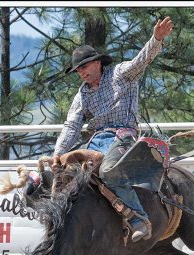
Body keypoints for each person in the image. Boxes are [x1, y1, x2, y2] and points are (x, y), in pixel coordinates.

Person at [52, 17, 173, 242]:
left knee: (108, 171)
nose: (81, 73)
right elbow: (72, 125)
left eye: (84, 67)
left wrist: (156, 39)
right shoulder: (83, 94)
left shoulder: (121, 74)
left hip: (123, 137)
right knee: (65, 175)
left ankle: (139, 218)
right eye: (78, 70)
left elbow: (141, 61)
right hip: (96, 141)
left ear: (98, 63)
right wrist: (58, 154)